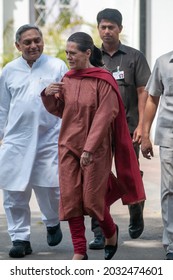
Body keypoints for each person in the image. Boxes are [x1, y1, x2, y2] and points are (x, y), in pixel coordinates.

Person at [41, 31, 145, 260]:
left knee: (92, 201)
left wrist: (88, 149)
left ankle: (110, 232)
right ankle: (79, 250)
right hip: (68, 146)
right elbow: (62, 112)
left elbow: (105, 115)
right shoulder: (68, 79)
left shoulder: (103, 79)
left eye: (73, 53)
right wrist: (48, 96)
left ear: (87, 53)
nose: (68, 57)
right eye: (66, 53)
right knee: (69, 198)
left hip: (96, 150)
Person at [0, 24, 68, 258]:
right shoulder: (9, 70)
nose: (33, 45)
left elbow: (67, 102)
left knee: (50, 187)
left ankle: (52, 221)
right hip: (16, 140)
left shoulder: (56, 66)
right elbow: (2, 107)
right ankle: (20, 238)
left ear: (43, 42)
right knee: (13, 191)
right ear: (17, 46)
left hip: (48, 138)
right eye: (27, 42)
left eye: (37, 40)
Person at [88, 8, 151, 250]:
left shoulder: (134, 57)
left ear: (120, 29)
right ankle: (99, 231)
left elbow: (143, 92)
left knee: (129, 175)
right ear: (98, 29)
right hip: (100, 131)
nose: (106, 31)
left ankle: (136, 210)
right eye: (103, 27)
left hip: (128, 128)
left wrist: (143, 128)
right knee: (97, 180)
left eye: (111, 27)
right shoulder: (91, 56)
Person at [141, 51, 173, 260]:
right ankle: (171, 242)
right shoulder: (163, 62)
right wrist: (145, 134)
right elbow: (152, 98)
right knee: (169, 189)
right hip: (169, 136)